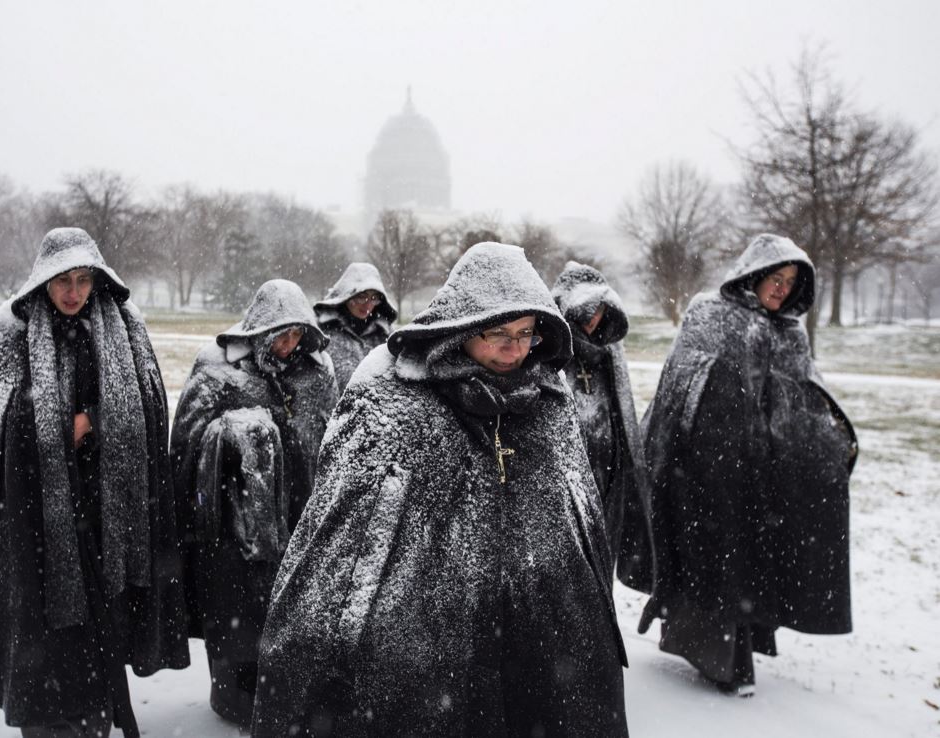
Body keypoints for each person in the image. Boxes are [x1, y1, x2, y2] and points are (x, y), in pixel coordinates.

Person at [253, 243, 628, 737]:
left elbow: (580, 534)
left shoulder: (549, 404)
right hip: (426, 646)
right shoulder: (392, 397)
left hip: (538, 636)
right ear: (462, 328)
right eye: (498, 333)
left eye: (525, 334)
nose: (514, 349)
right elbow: (343, 554)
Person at [0, 228, 190, 737]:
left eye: (83, 280)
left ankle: (94, 718)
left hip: (107, 515)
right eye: (62, 281)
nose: (73, 292)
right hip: (30, 521)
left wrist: (95, 418)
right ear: (42, 281)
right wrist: (48, 428)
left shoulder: (124, 327)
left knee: (97, 634)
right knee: (44, 638)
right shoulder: (4, 335)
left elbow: (146, 415)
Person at [639, 234, 857, 697]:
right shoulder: (708, 315)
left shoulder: (789, 334)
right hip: (703, 471)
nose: (780, 290)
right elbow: (678, 389)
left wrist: (828, 445)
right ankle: (722, 664)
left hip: (761, 477)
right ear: (752, 275)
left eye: (790, 283)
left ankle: (738, 649)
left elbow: (804, 400)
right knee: (712, 563)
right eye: (774, 279)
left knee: (749, 565)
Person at [171, 278, 338, 727]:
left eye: (297, 333)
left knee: (292, 618)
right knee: (236, 615)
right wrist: (231, 436)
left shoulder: (316, 372)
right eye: (280, 333)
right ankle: (234, 699)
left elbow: (332, 439)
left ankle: (286, 698)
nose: (289, 344)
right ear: (260, 329)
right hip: (231, 527)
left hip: (301, 521)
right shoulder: (217, 370)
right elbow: (185, 445)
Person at [551, 262, 654, 592]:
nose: (593, 319)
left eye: (600, 310)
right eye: (587, 309)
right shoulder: (550, 345)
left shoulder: (609, 348)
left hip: (607, 478)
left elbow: (621, 410)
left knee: (599, 566)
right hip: (564, 481)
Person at [313, 262, 397, 392]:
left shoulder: (387, 336)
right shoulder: (322, 331)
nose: (368, 305)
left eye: (374, 298)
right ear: (347, 296)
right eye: (361, 296)